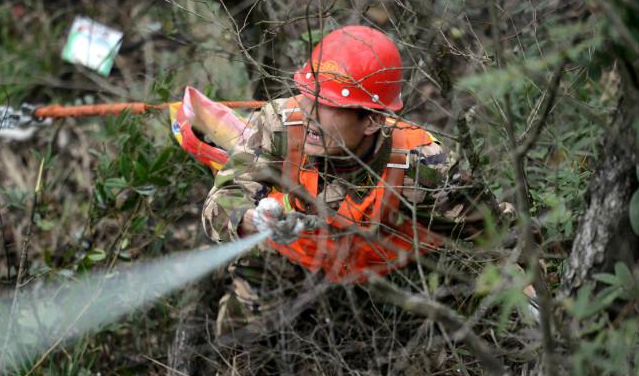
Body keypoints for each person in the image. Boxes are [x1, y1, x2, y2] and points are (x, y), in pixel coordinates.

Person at [197, 25, 494, 333]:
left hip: (384, 282)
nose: (310, 112)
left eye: (329, 105)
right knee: (246, 314)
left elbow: (497, 233)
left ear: (373, 120)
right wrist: (252, 219)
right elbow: (219, 202)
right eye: (308, 95)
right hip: (289, 259)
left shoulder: (421, 164)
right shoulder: (279, 125)